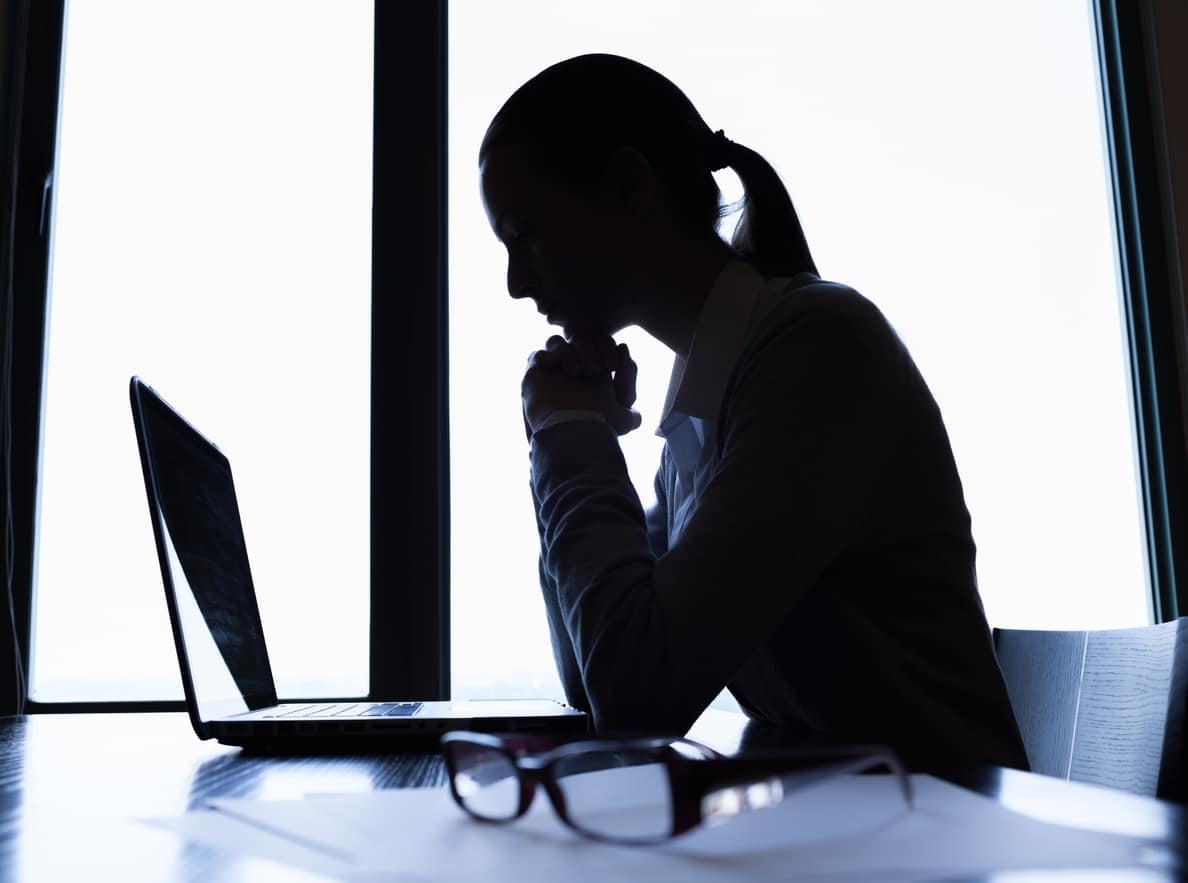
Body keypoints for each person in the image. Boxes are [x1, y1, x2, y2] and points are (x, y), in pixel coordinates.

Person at [479, 53, 1028, 773]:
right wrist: (569, 438)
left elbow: (634, 694)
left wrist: (569, 436)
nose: (517, 282)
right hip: (849, 829)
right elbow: (593, 673)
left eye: (525, 234)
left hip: (938, 840)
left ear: (628, 186)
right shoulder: (712, 392)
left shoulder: (816, 350)